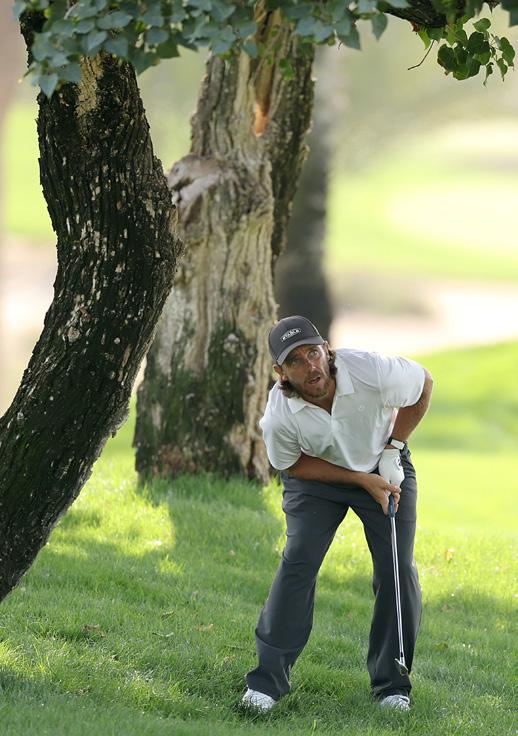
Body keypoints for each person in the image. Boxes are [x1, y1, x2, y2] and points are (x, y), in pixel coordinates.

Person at [242, 315, 433, 712]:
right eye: (295, 361)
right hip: (316, 478)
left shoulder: (369, 369)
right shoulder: (278, 415)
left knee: (396, 567)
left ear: (327, 350)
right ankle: (266, 684)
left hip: (384, 463)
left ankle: (393, 687)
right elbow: (291, 464)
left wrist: (394, 448)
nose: (309, 366)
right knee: (299, 559)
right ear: (280, 372)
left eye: (313, 353)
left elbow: (424, 384)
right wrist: (359, 480)